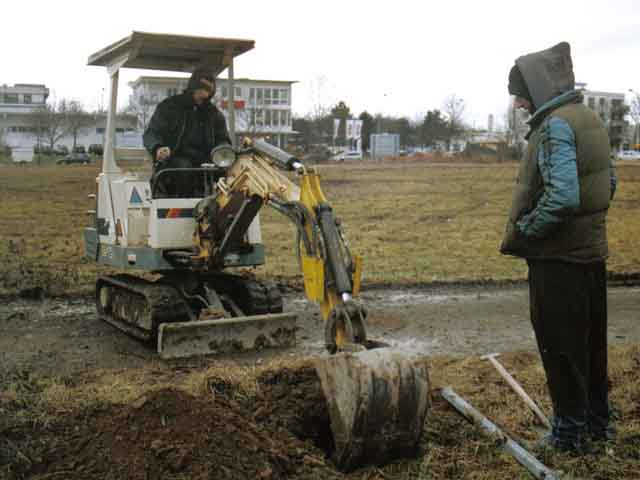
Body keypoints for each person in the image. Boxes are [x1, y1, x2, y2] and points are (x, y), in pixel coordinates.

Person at [500, 42, 617, 452]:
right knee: (591, 346)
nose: (516, 102)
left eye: (519, 91)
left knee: (561, 350)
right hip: (590, 255)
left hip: (558, 259)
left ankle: (568, 437)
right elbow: (608, 184)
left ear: (536, 87)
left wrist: (529, 229)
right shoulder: (589, 120)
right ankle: (598, 429)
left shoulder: (553, 126)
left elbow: (564, 196)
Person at [143, 67, 231, 197]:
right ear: (192, 87)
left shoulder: (214, 115)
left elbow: (222, 140)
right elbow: (152, 133)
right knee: (184, 167)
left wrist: (223, 153)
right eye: (200, 88)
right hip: (173, 160)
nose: (202, 94)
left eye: (207, 90)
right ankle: (184, 205)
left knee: (226, 174)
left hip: (205, 163)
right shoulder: (169, 107)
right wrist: (158, 147)